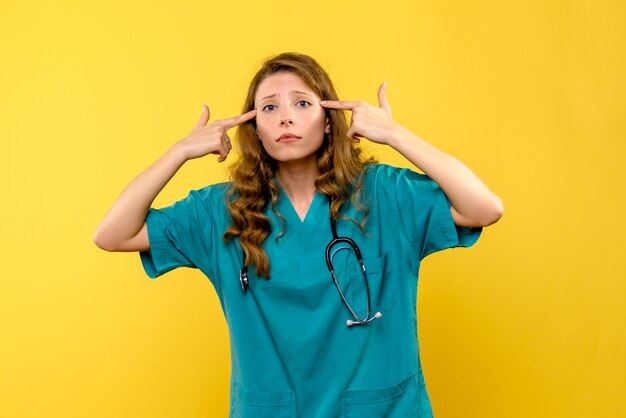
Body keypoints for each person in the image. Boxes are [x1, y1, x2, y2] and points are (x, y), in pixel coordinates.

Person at [94, 52, 503, 418]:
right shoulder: (220, 211)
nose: (285, 117)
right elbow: (112, 234)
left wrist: (397, 135)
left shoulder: (386, 193)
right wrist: (178, 152)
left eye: (302, 103)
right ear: (254, 130)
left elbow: (484, 208)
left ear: (329, 121)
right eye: (269, 108)